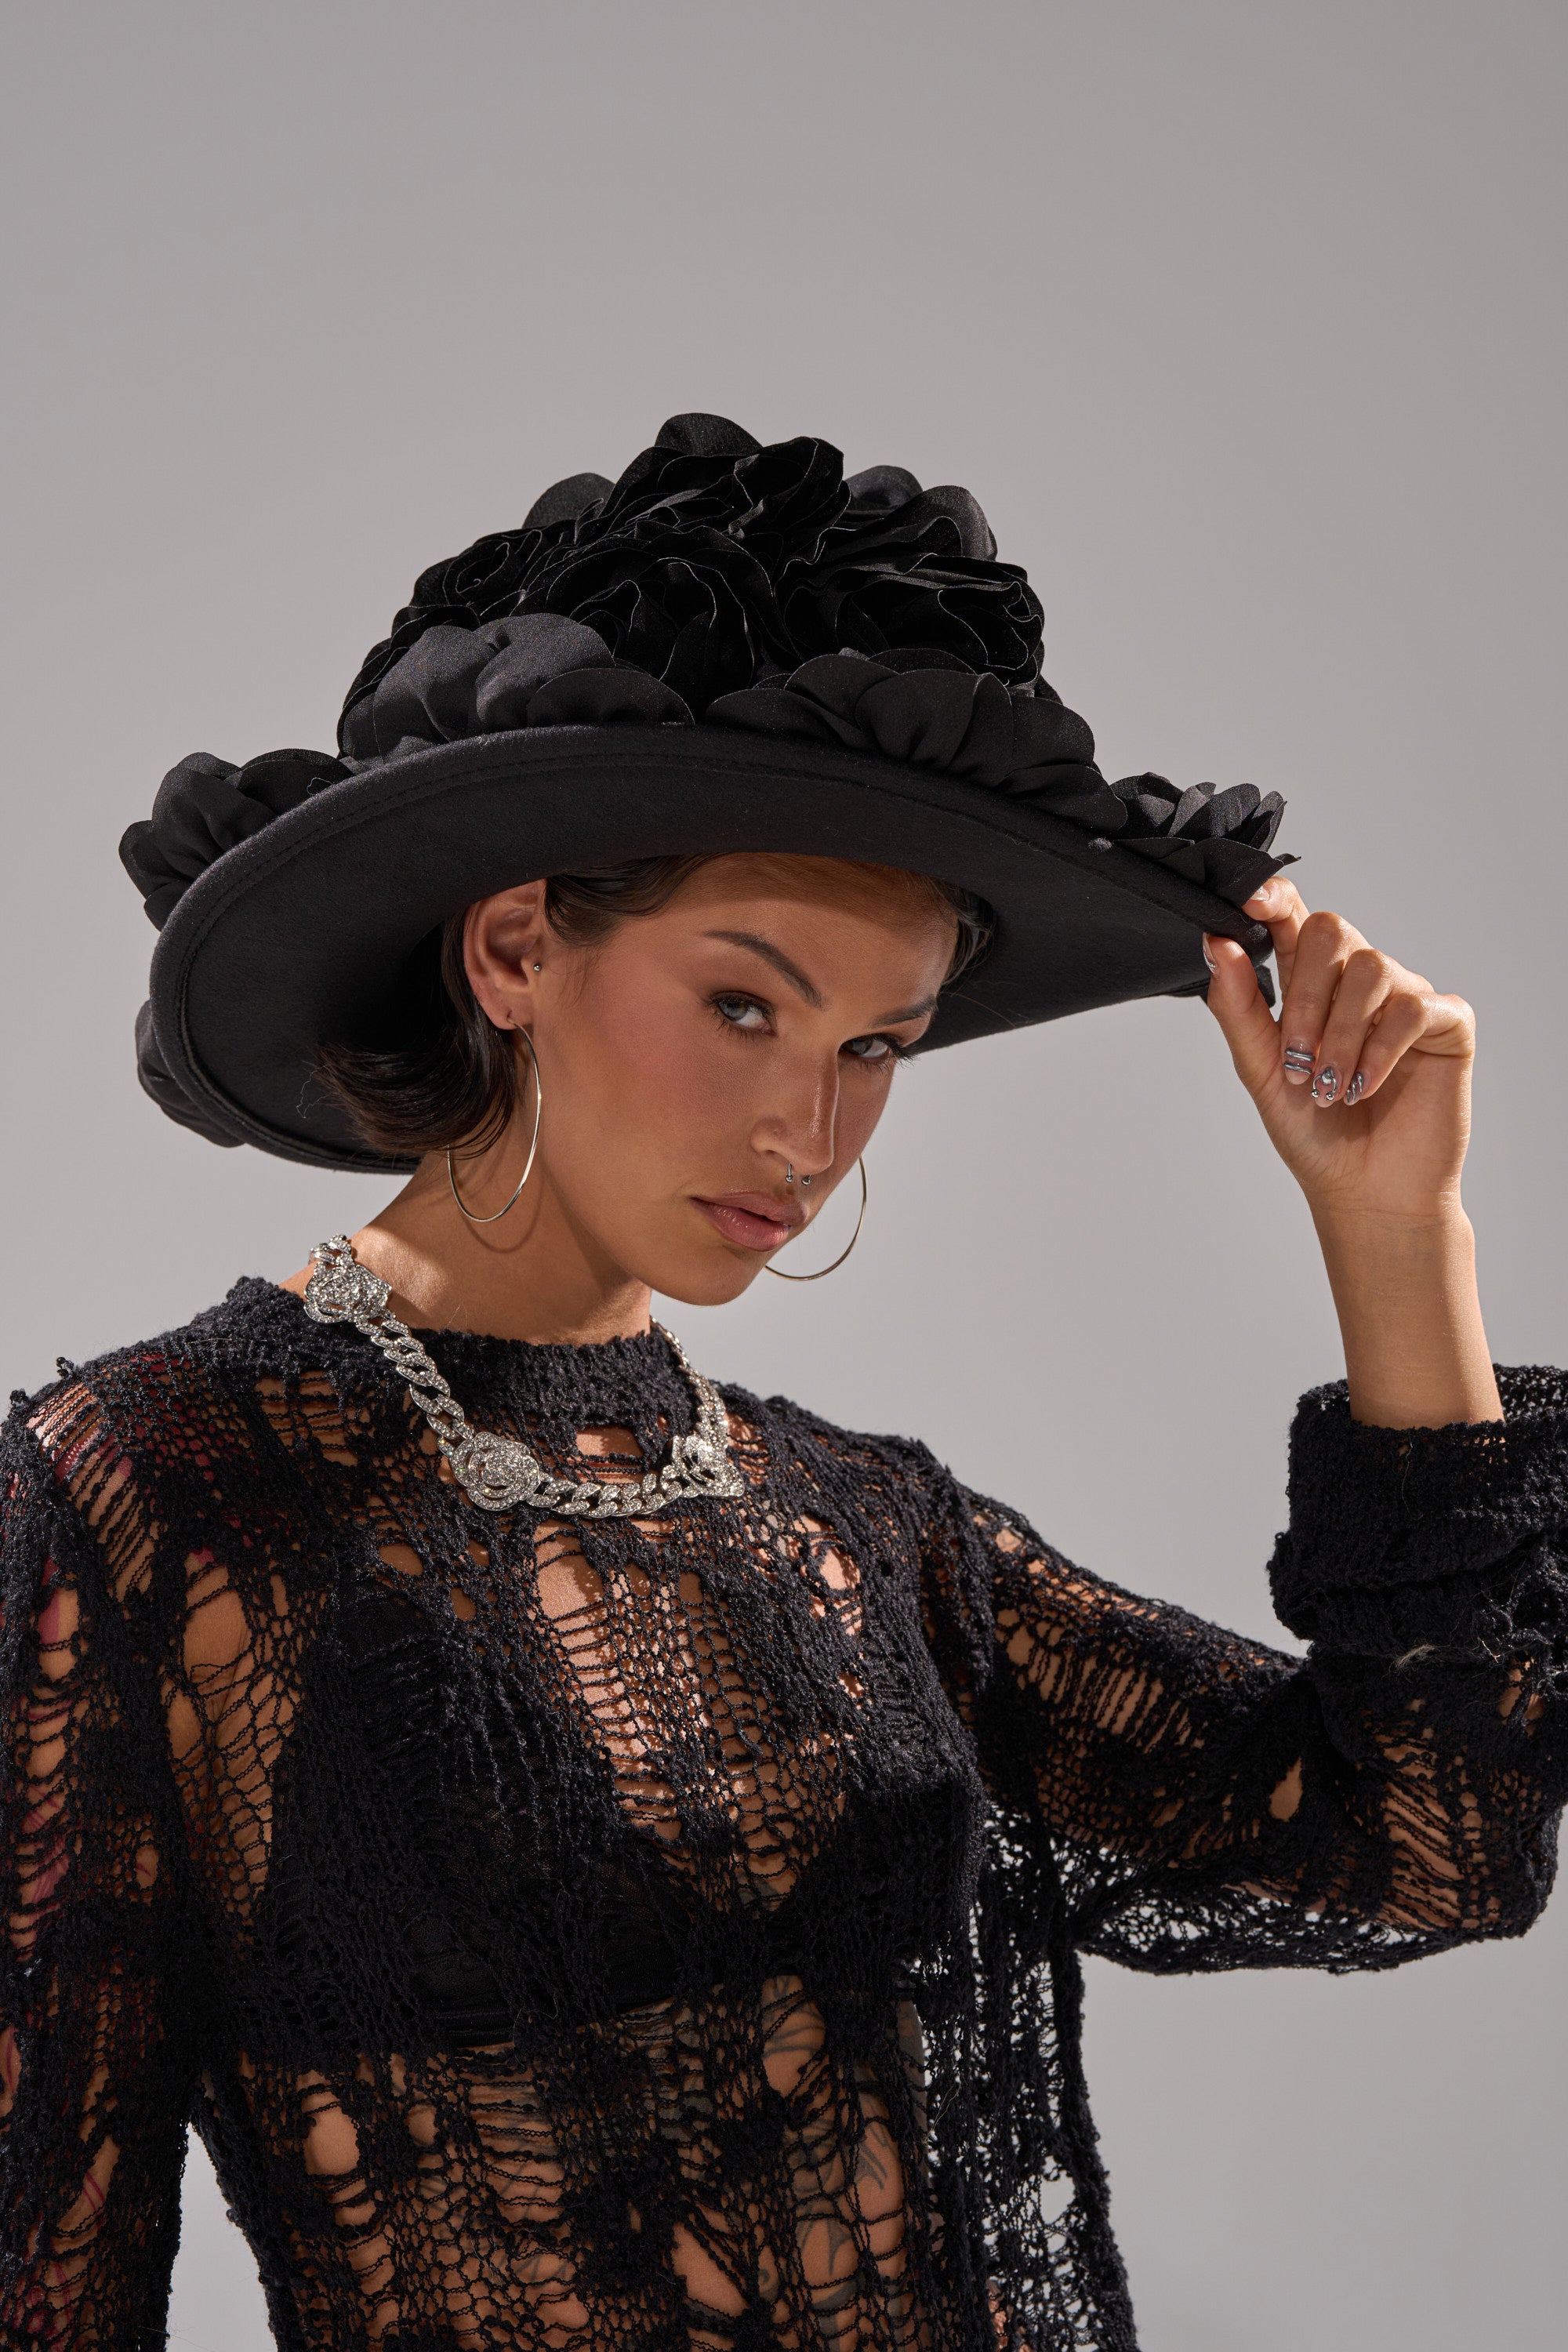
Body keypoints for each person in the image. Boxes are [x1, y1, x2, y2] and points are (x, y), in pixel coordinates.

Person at [2, 415, 1564, 2352]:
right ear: (511, 948)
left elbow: (1431, 1846)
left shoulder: (859, 1530)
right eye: (743, 1003)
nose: (808, 1127)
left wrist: (1397, 1235)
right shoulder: (158, 1493)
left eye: (877, 1046)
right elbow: (43, 2264)